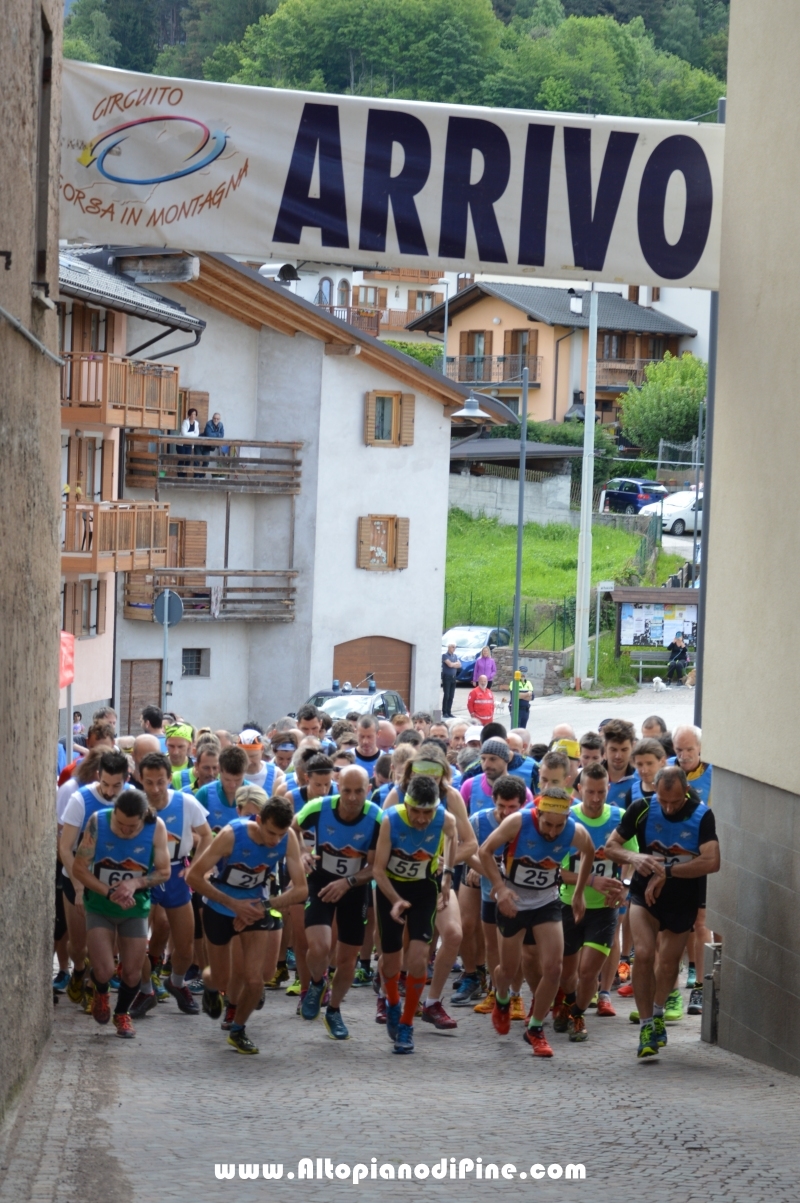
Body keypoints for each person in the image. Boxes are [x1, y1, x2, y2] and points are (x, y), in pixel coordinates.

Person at [605, 765, 719, 1059]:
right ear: (655, 790)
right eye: (663, 800)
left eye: (676, 801)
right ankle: (645, 1025)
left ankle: (657, 1014)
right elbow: (611, 846)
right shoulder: (641, 808)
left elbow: (712, 861)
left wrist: (668, 871)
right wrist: (634, 855)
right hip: (644, 896)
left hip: (682, 900)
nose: (668, 807)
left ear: (686, 792)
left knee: (668, 964)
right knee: (643, 953)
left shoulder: (700, 815)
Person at [187, 794, 307, 1054]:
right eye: (271, 832)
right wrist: (233, 904)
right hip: (220, 907)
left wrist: (262, 907)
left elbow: (301, 891)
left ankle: (238, 1030)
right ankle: (209, 984)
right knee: (222, 978)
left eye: (281, 834)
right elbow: (194, 876)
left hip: (255, 909)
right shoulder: (232, 834)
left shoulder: (288, 839)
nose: (275, 840)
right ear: (259, 820)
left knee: (255, 980)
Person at [479, 787, 595, 1057]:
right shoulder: (517, 822)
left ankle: (535, 1028)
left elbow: (589, 852)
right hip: (514, 903)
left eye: (559, 825)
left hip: (547, 902)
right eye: (547, 824)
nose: (553, 832)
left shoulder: (575, 831)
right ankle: (503, 998)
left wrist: (578, 894)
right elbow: (485, 851)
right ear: (538, 813)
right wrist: (500, 888)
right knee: (507, 970)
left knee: (553, 968)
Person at [70, 789, 171, 1038]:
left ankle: (122, 1014)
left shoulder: (156, 827)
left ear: (143, 817)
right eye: (120, 824)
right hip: (100, 906)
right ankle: (100, 992)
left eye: (131, 827)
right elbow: (79, 868)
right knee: (103, 970)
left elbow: (164, 871)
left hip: (134, 908)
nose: (124, 831)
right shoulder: (97, 821)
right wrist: (107, 892)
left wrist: (134, 884)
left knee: (133, 971)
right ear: (113, 812)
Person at [295, 766, 383, 1040]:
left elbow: (376, 867)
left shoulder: (376, 818)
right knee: (319, 946)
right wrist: (301, 852)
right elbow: (290, 828)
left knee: (347, 960)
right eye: (346, 790)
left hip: (354, 889)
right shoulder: (318, 807)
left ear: (368, 789)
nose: (353, 797)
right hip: (320, 882)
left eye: (359, 791)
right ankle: (317, 984)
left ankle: (334, 1011)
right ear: (337, 787)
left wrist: (348, 882)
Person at [373, 774, 458, 1054]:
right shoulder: (390, 820)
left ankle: (407, 1024)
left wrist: (447, 874)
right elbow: (377, 870)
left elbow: (453, 834)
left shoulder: (444, 818)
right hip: (390, 889)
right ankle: (393, 1002)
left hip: (423, 890)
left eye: (427, 812)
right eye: (416, 812)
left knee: (419, 959)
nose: (422, 819)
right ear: (406, 804)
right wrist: (396, 900)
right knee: (390, 961)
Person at [555, 763, 636, 1037]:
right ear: (579, 789)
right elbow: (558, 872)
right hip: (569, 905)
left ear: (608, 789)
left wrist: (624, 886)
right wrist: (590, 880)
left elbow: (631, 860)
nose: (596, 798)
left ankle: (578, 1015)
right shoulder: (568, 820)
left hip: (604, 909)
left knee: (589, 971)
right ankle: (568, 1002)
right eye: (590, 791)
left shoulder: (619, 818)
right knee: (568, 973)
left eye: (601, 792)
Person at [129, 753, 213, 1019]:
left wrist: (195, 867)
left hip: (177, 874)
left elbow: (208, 836)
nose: (155, 789)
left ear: (169, 779)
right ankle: (145, 990)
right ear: (140, 779)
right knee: (137, 941)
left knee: (186, 947)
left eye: (161, 782)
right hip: (143, 875)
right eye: (149, 782)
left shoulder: (186, 802)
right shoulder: (132, 803)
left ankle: (176, 983)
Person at [178, 407, 200, 475]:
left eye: (195, 414)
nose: (193, 416)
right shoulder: (185, 422)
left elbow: (197, 434)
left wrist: (190, 434)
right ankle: (180, 475)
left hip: (189, 445)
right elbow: (184, 434)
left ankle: (185, 474)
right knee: (181, 459)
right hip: (181, 444)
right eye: (192, 414)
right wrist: (193, 433)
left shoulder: (196, 423)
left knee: (188, 460)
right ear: (189, 415)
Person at [441, 644, 461, 719]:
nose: (454, 649)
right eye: (453, 647)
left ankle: (449, 712)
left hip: (453, 677)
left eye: (455, 647)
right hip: (447, 677)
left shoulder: (455, 656)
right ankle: (444, 712)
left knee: (451, 696)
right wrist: (454, 664)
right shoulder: (445, 655)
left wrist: (453, 664)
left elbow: (459, 665)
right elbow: (449, 665)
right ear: (449, 647)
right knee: (447, 695)